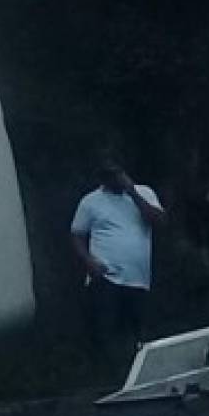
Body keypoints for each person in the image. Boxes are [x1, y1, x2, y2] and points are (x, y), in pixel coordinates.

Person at [70, 155, 167, 377]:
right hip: (106, 277)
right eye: (107, 175)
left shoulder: (144, 193)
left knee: (137, 331)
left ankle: (138, 375)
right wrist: (89, 263)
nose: (113, 179)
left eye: (116, 174)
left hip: (138, 278)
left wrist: (132, 192)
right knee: (106, 331)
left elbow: (159, 221)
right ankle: (106, 377)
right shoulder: (91, 201)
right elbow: (76, 235)